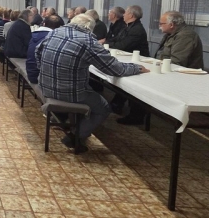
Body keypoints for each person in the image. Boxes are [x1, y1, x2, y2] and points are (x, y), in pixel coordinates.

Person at [36, 14, 148, 153]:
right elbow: (114, 69)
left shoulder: (55, 32)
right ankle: (75, 137)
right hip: (71, 93)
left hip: (45, 86)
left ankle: (72, 124)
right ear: (90, 29)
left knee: (85, 89)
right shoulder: (87, 40)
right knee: (103, 108)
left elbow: (37, 53)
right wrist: (137, 68)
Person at [26, 14, 64, 84]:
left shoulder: (35, 34)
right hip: (40, 77)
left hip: (31, 72)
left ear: (44, 24)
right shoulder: (52, 37)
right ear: (59, 27)